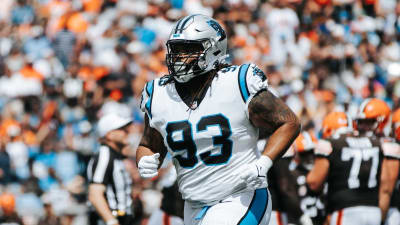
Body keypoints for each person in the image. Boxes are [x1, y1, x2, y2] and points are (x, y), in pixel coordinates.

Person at [136, 14, 301, 225]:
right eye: (176, 50)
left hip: (240, 197)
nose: (179, 57)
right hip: (193, 206)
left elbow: (289, 121)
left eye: (188, 50)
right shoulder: (158, 94)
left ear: (214, 49)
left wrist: (263, 163)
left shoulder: (236, 83)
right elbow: (148, 144)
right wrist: (144, 158)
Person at [307, 105, 399, 225]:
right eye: (361, 122)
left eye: (368, 122)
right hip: (374, 210)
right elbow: (385, 189)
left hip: (345, 209)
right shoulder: (383, 146)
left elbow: (314, 183)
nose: (364, 126)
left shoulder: (330, 144)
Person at [87, 113, 134, 225]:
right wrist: (111, 221)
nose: (127, 132)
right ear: (109, 134)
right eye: (121, 129)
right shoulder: (105, 155)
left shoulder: (115, 156)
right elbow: (95, 194)